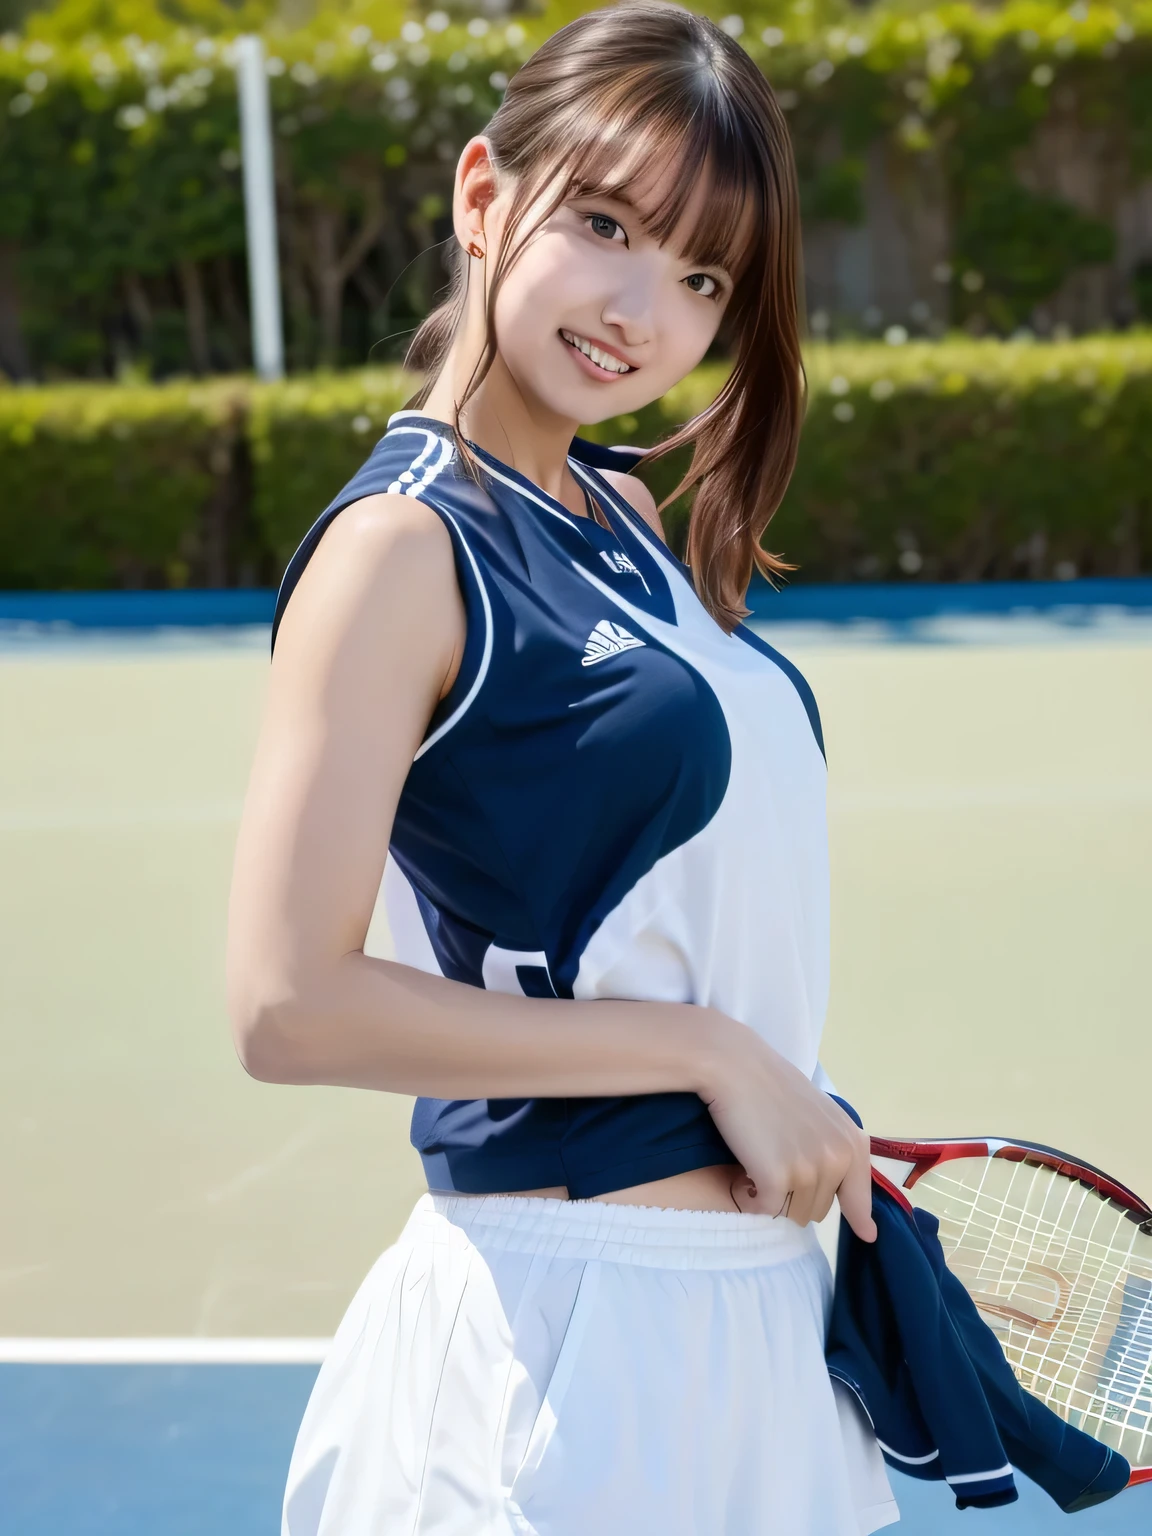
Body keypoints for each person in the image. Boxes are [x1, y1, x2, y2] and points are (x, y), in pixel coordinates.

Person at [225, 4, 900, 1531]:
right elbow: (286, 1003)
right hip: (556, 1352)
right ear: (483, 196)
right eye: (606, 223)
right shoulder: (401, 550)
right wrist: (715, 1056)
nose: (642, 310)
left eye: (704, 275)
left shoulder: (625, 519)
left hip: (746, 1332)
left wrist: (776, 1081)